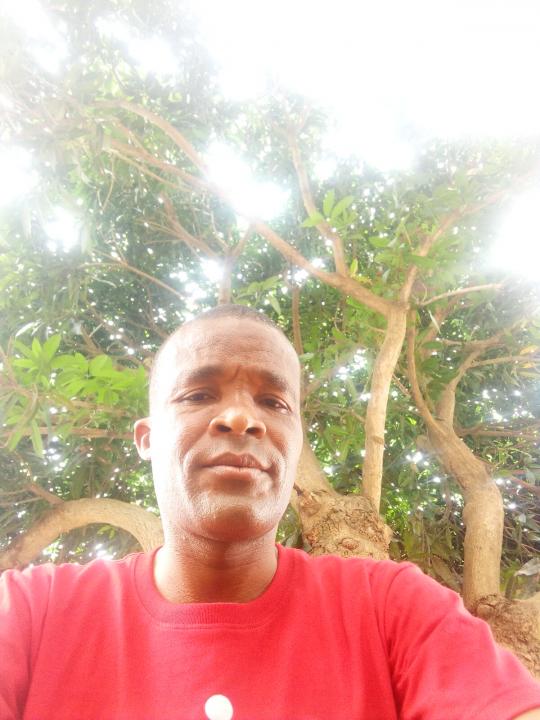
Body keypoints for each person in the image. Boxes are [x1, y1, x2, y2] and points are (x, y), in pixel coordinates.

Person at [1, 304, 540, 720]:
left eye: (274, 403)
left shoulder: (395, 609)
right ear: (146, 438)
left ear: (296, 440)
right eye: (197, 395)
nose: (241, 418)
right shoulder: (29, 614)